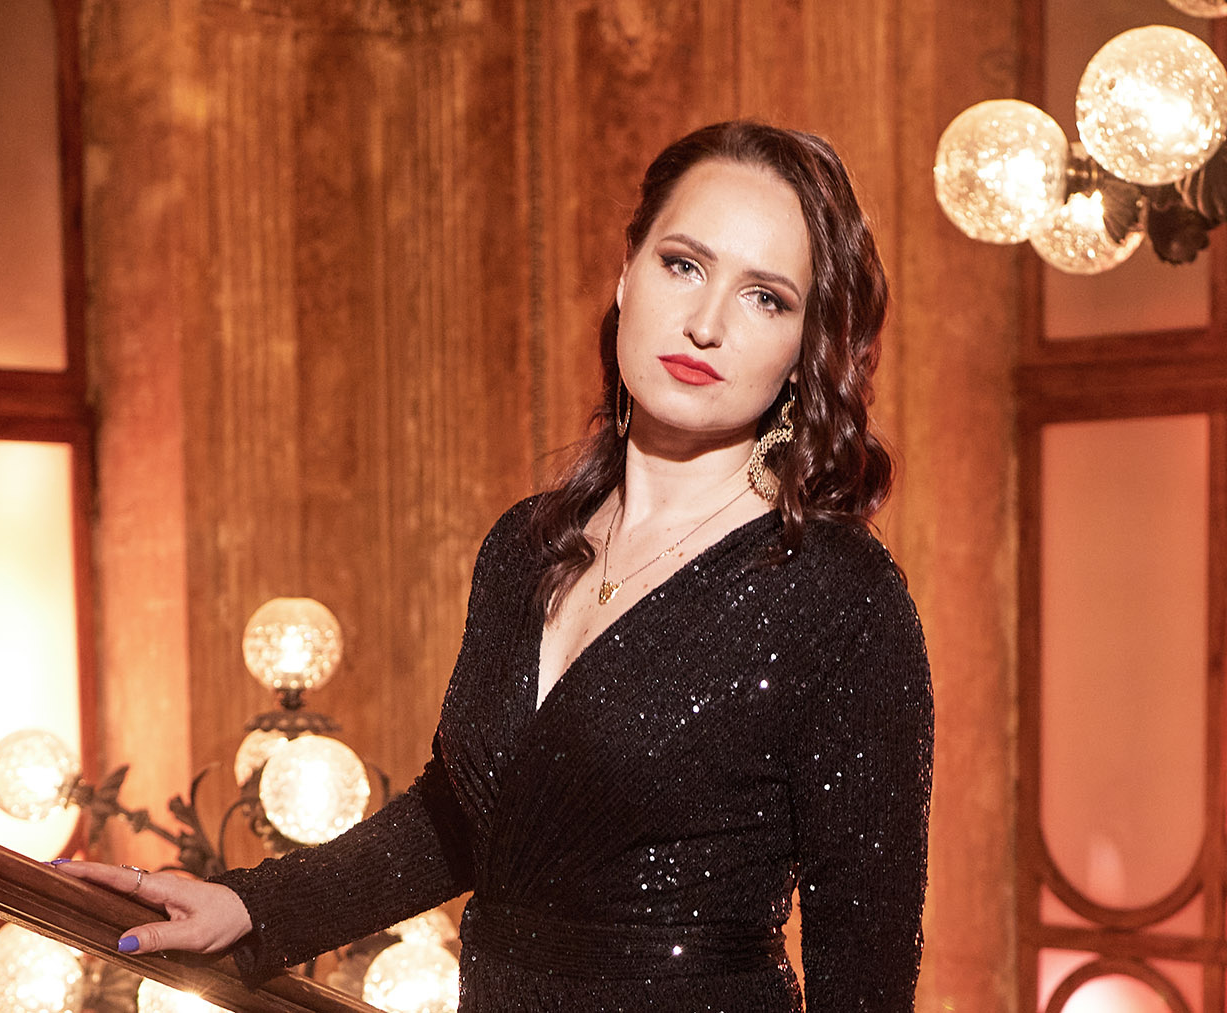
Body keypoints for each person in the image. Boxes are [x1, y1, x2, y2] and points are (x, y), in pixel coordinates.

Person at [60, 120, 933, 1011]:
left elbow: (863, 972)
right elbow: (461, 820)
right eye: (683, 265)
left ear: (805, 349)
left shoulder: (839, 597)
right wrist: (256, 904)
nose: (705, 324)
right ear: (627, 270)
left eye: (765, 298)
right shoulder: (527, 547)